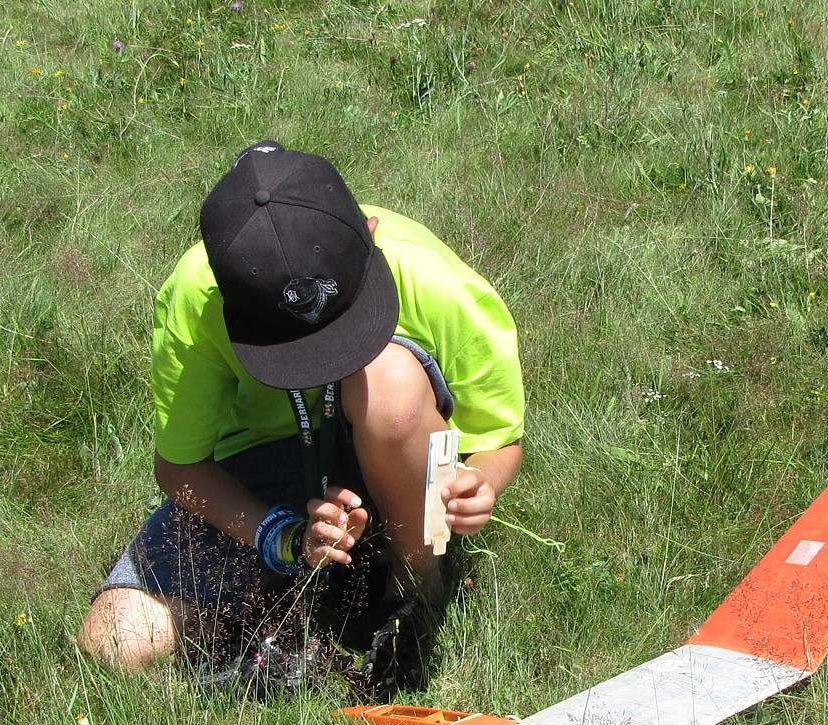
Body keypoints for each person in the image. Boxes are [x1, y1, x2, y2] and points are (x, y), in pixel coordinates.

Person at [77, 142, 524, 693]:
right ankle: (287, 611)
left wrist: (480, 483)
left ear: (371, 232)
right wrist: (283, 537)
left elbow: (499, 437)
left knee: (390, 385)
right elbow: (180, 468)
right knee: (114, 642)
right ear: (225, 293)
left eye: (349, 327)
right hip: (266, 471)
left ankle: (414, 584)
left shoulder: (435, 281)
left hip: (402, 449)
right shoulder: (197, 295)